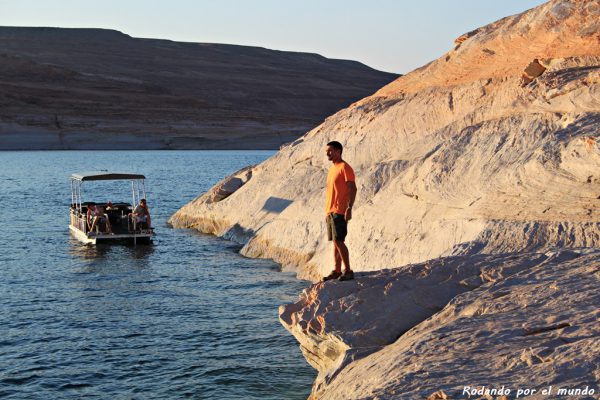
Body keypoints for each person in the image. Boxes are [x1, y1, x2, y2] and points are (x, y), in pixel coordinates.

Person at [322, 141, 357, 282]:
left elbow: (353, 188)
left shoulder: (345, 167)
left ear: (338, 151)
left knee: (339, 240)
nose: (327, 153)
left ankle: (348, 270)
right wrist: (327, 212)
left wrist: (349, 207)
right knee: (335, 242)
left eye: (330, 151)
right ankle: (337, 270)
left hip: (340, 210)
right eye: (326, 151)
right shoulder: (332, 169)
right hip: (330, 211)